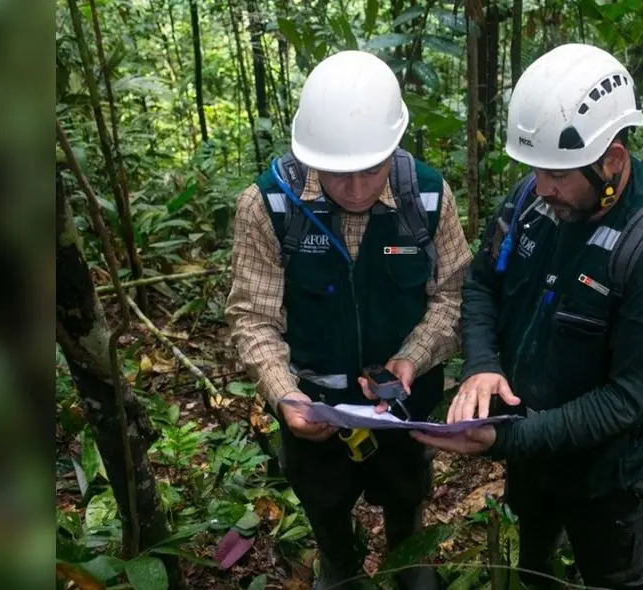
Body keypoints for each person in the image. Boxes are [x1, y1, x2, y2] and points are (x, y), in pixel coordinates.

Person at [410, 43, 643, 589]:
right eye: (535, 170)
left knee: (615, 576)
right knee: (534, 564)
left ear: (613, 159)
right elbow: (482, 283)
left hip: (608, 473)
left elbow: (627, 399)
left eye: (558, 174)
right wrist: (482, 365)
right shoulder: (534, 200)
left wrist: (504, 440)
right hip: (530, 450)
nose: (542, 188)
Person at [225, 50, 473, 590]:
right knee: (324, 504)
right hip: (315, 408)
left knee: (406, 493)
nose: (357, 189)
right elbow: (253, 318)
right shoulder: (268, 206)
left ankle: (408, 555)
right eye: (339, 173)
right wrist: (285, 395)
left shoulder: (427, 197)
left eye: (372, 169)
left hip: (404, 410)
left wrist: (413, 356)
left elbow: (454, 297)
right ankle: (338, 560)